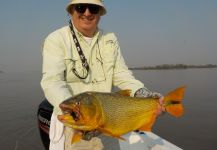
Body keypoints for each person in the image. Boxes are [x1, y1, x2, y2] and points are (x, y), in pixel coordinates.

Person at [41, 0, 164, 150]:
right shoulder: (56, 39)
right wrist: (78, 116)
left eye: (93, 8)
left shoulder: (109, 39)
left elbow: (121, 73)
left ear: (100, 13)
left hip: (109, 123)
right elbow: (52, 82)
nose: (87, 13)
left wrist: (142, 92)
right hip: (75, 128)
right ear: (71, 10)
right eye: (81, 7)